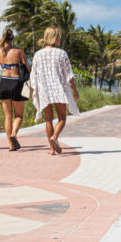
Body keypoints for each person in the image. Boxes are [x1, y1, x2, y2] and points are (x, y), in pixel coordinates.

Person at [29, 27, 80, 155]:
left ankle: (52, 149)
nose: (60, 39)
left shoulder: (37, 55)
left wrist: (33, 91)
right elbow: (69, 74)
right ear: (54, 38)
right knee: (62, 117)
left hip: (44, 90)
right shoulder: (62, 53)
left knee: (48, 119)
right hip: (58, 88)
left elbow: (33, 76)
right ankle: (54, 137)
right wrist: (75, 90)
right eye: (59, 37)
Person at [0, 28, 31, 151]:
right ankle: (14, 134)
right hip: (17, 84)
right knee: (19, 115)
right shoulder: (18, 52)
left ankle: (11, 145)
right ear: (12, 38)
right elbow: (27, 68)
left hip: (4, 84)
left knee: (7, 117)